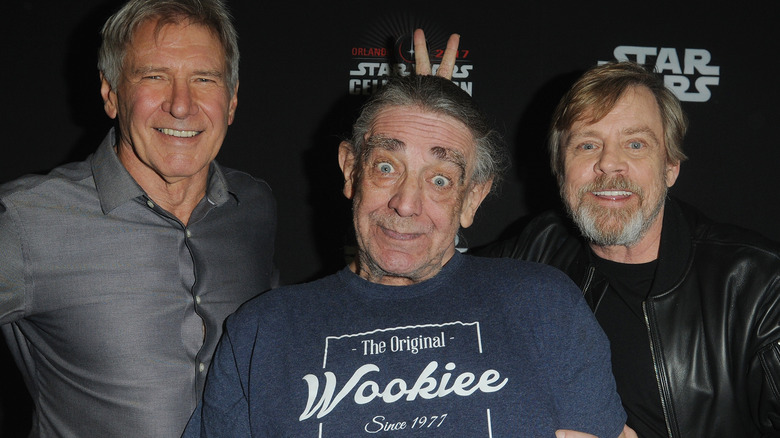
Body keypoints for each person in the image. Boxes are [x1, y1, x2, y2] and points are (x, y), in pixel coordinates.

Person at [183, 73, 634, 437]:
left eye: (440, 179)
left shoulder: (543, 306)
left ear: (473, 197)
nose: (406, 203)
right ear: (350, 169)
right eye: (386, 167)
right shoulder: (263, 331)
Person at [0, 0, 277, 436]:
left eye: (204, 79)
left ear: (232, 100)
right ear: (111, 94)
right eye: (154, 77)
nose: (181, 105)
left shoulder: (254, 206)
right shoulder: (25, 221)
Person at [476, 61, 780, 437]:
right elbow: (431, 280)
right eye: (588, 145)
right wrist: (434, 131)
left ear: (670, 167)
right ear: (560, 169)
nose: (609, 164)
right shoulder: (538, 247)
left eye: (635, 144)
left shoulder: (758, 284)